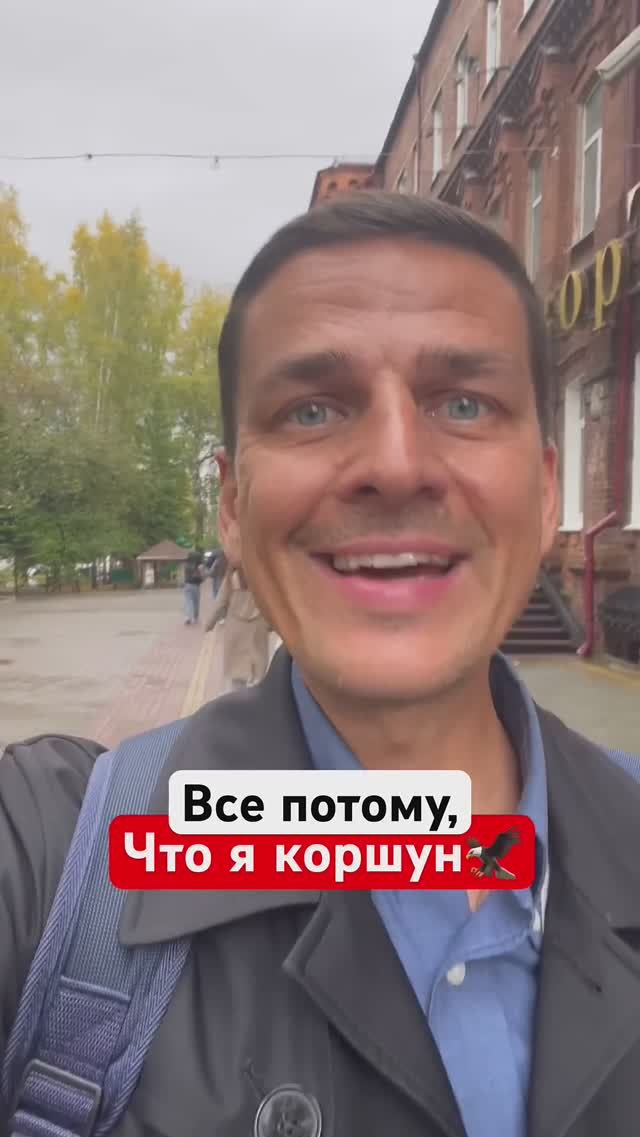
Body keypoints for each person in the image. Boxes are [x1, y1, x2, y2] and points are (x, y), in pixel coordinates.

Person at [1, 193, 639, 1137]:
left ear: (548, 490)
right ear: (232, 504)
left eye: (464, 403)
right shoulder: (59, 860)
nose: (396, 463)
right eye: (312, 410)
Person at [205, 563, 271, 690]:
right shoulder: (264, 576)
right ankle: (255, 693)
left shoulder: (232, 577)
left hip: (235, 626)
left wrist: (210, 623)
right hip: (258, 625)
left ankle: (238, 697)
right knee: (257, 668)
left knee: (236, 673)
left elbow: (221, 602)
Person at [182, 549, 203, 624]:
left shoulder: (186, 565)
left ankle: (188, 617)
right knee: (196, 602)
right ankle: (195, 617)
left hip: (187, 585)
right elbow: (203, 575)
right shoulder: (199, 566)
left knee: (188, 601)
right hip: (196, 585)